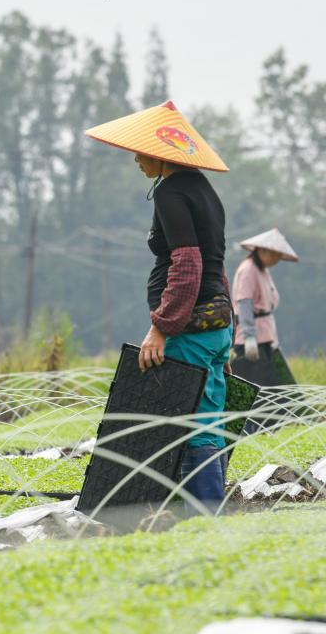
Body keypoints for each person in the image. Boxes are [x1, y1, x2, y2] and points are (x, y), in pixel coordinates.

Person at [86, 100, 233, 513]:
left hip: (192, 328)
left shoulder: (171, 192)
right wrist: (230, 333)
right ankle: (204, 510)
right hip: (216, 325)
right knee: (208, 418)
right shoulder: (204, 191)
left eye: (139, 152)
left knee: (190, 421)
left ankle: (204, 515)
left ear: (160, 154)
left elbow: (188, 264)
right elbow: (217, 266)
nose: (135, 160)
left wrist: (162, 326)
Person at [232, 228, 299, 363]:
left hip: (265, 335)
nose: (277, 259)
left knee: (267, 380)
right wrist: (249, 337)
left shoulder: (262, 270)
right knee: (252, 380)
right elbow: (244, 304)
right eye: (274, 254)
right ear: (262, 250)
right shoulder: (248, 269)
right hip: (251, 338)